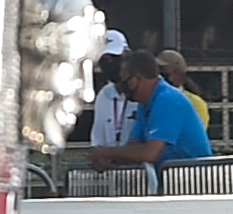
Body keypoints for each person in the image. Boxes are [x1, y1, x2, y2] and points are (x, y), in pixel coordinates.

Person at [86, 42, 215, 172]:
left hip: (195, 180)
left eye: (125, 81)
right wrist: (109, 160)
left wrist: (106, 153)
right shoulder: (145, 103)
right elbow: (134, 145)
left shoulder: (167, 100)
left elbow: (150, 153)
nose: (122, 87)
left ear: (137, 79)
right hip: (176, 179)